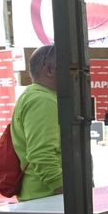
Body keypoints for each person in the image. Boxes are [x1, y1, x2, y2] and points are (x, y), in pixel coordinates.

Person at [11, 46, 63, 201]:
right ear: (49, 70)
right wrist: (63, 189)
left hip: (41, 197)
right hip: (47, 199)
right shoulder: (43, 101)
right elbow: (41, 154)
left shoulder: (35, 96)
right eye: (70, 68)